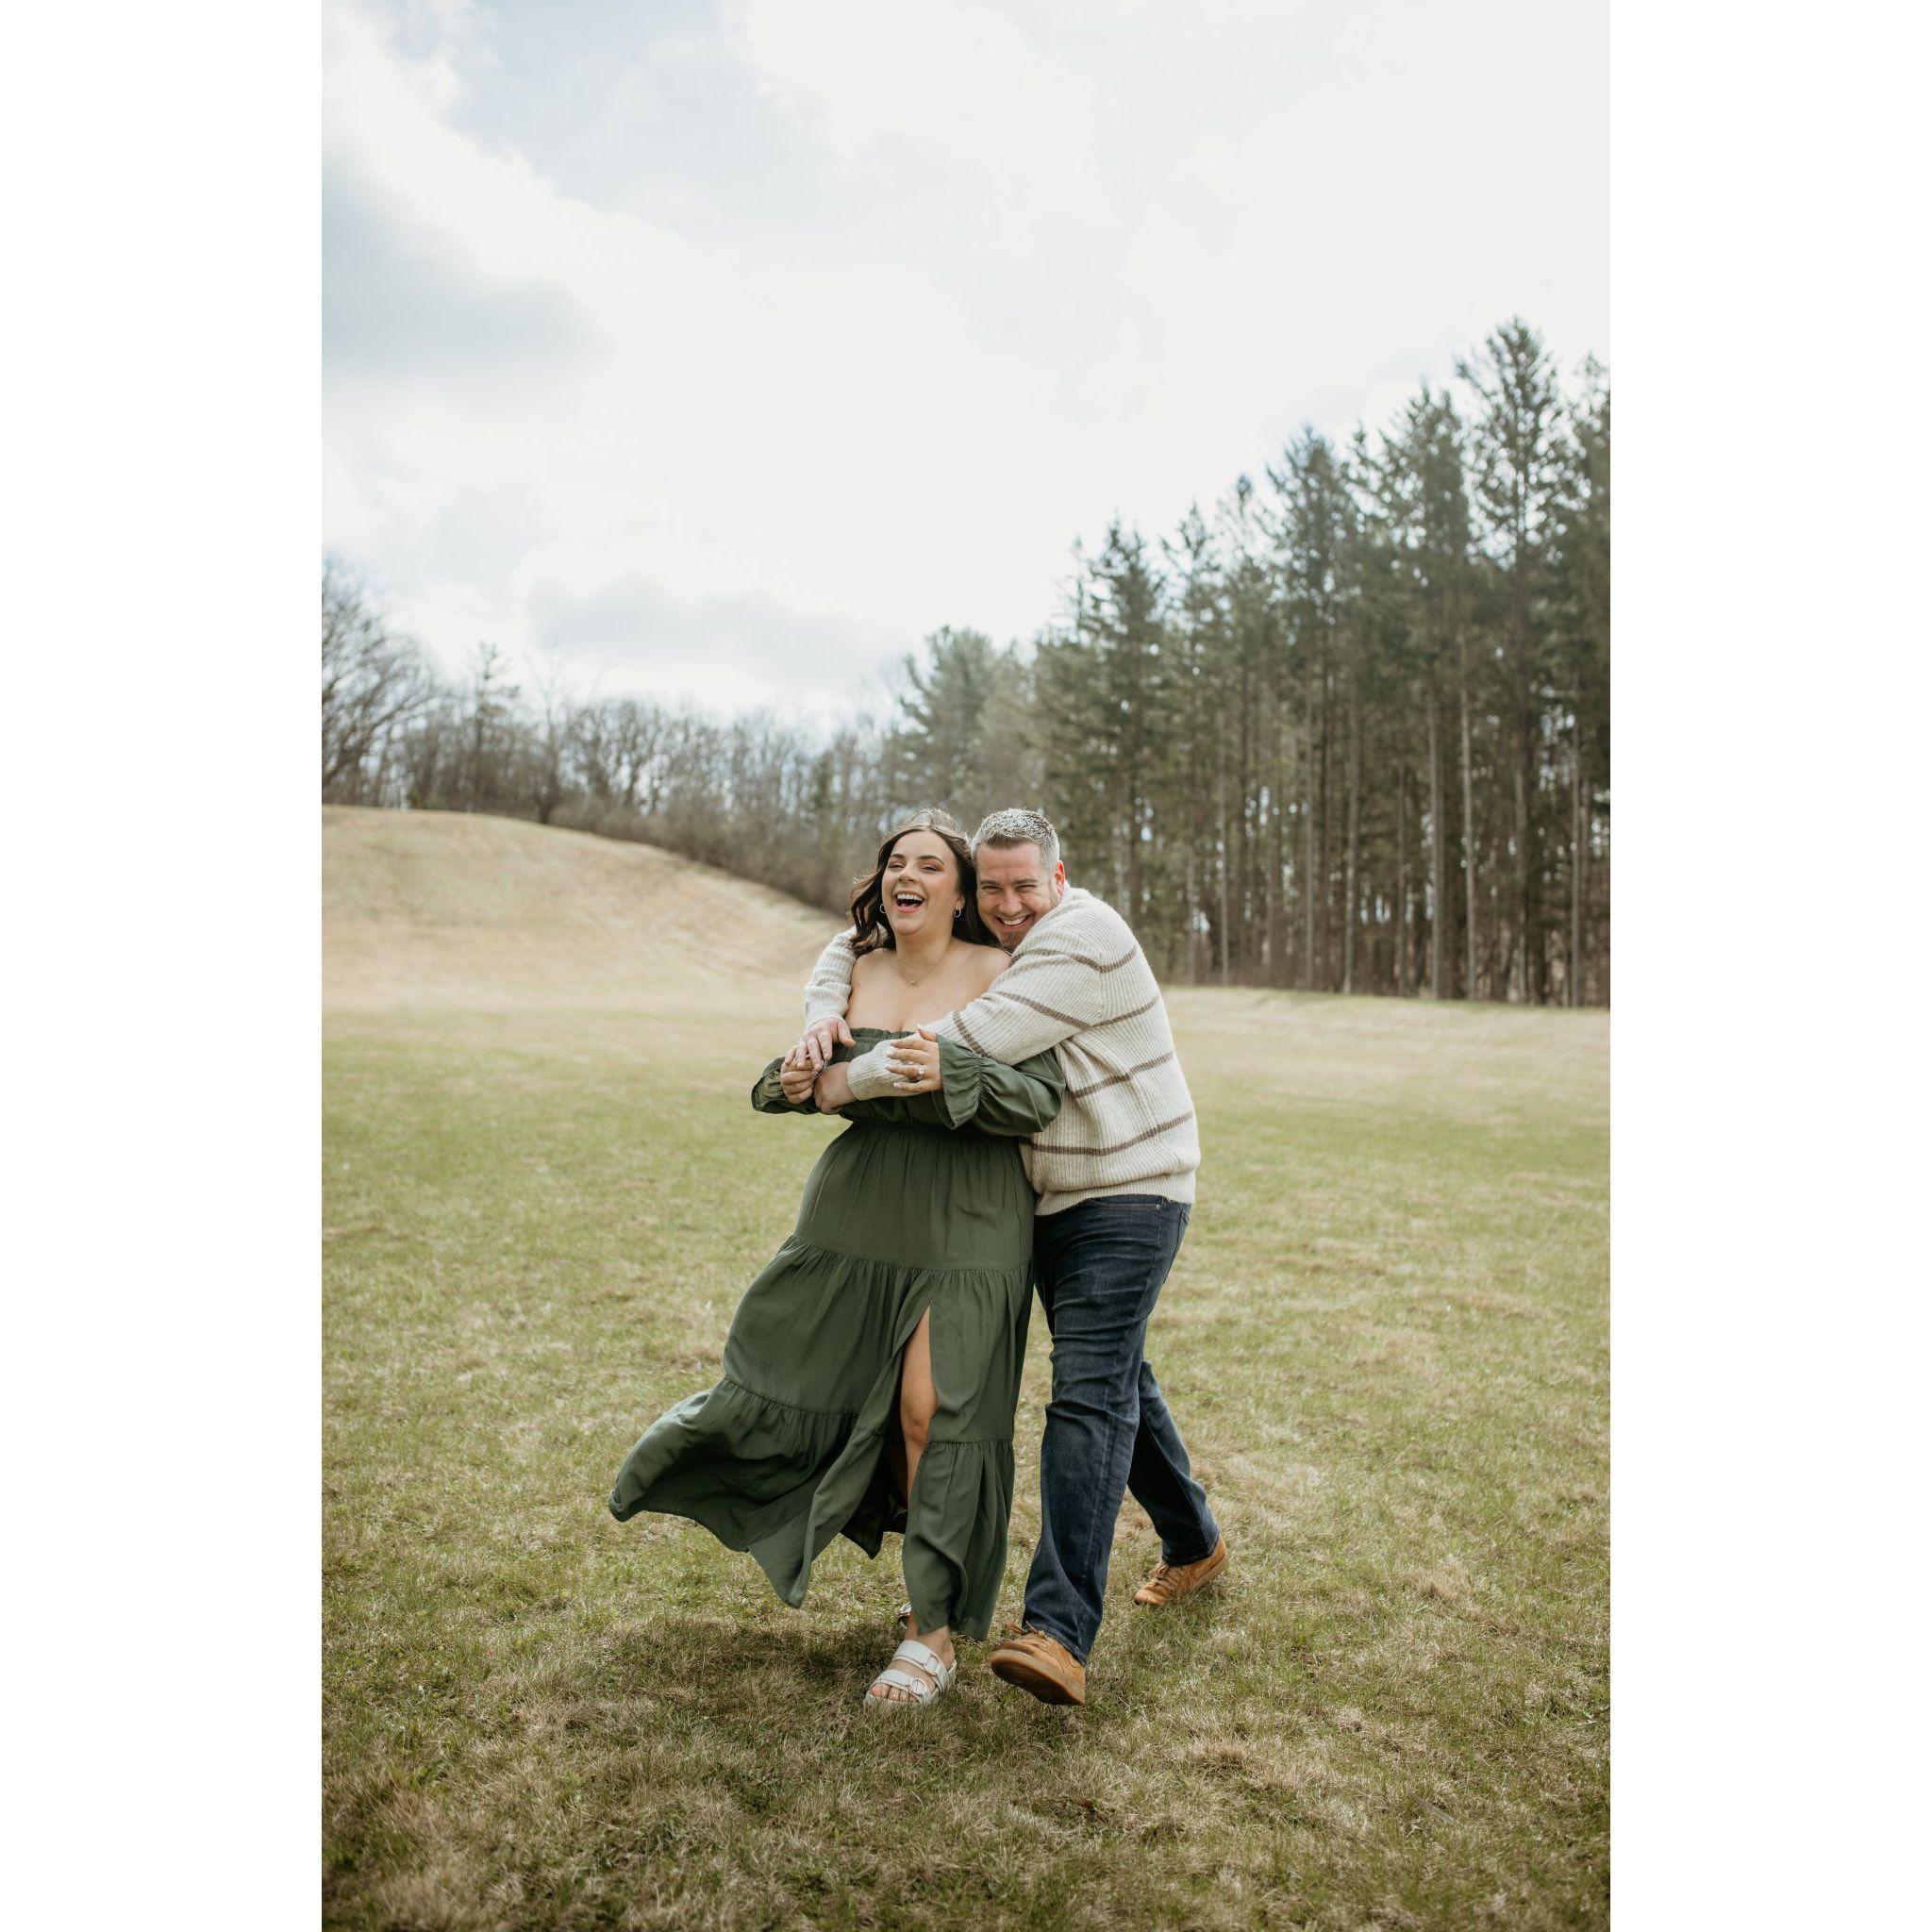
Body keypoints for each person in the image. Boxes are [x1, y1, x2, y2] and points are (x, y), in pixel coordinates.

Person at [608, 809, 1064, 1707]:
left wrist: (953, 1073)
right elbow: (797, 1084)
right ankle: (770, 1496)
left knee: (936, 1410)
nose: (908, 875)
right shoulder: (853, 971)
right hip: (856, 1209)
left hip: (971, 1212)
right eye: (896, 862)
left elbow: (1041, 1098)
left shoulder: (1002, 974)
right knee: (810, 1381)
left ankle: (931, 1632)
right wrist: (787, 1081)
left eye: (930, 865)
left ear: (961, 894)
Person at [791, 807, 1226, 1707]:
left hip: (1128, 1188)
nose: (1008, 904)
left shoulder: (1080, 937)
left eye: (1025, 885)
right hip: (1044, 1197)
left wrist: (842, 1073)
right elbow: (864, 939)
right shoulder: (1002, 937)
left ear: (1058, 879)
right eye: (991, 888)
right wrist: (828, 999)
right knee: (1118, 1376)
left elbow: (968, 1037)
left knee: (1089, 1390)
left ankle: (1057, 1633)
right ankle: (1195, 1542)